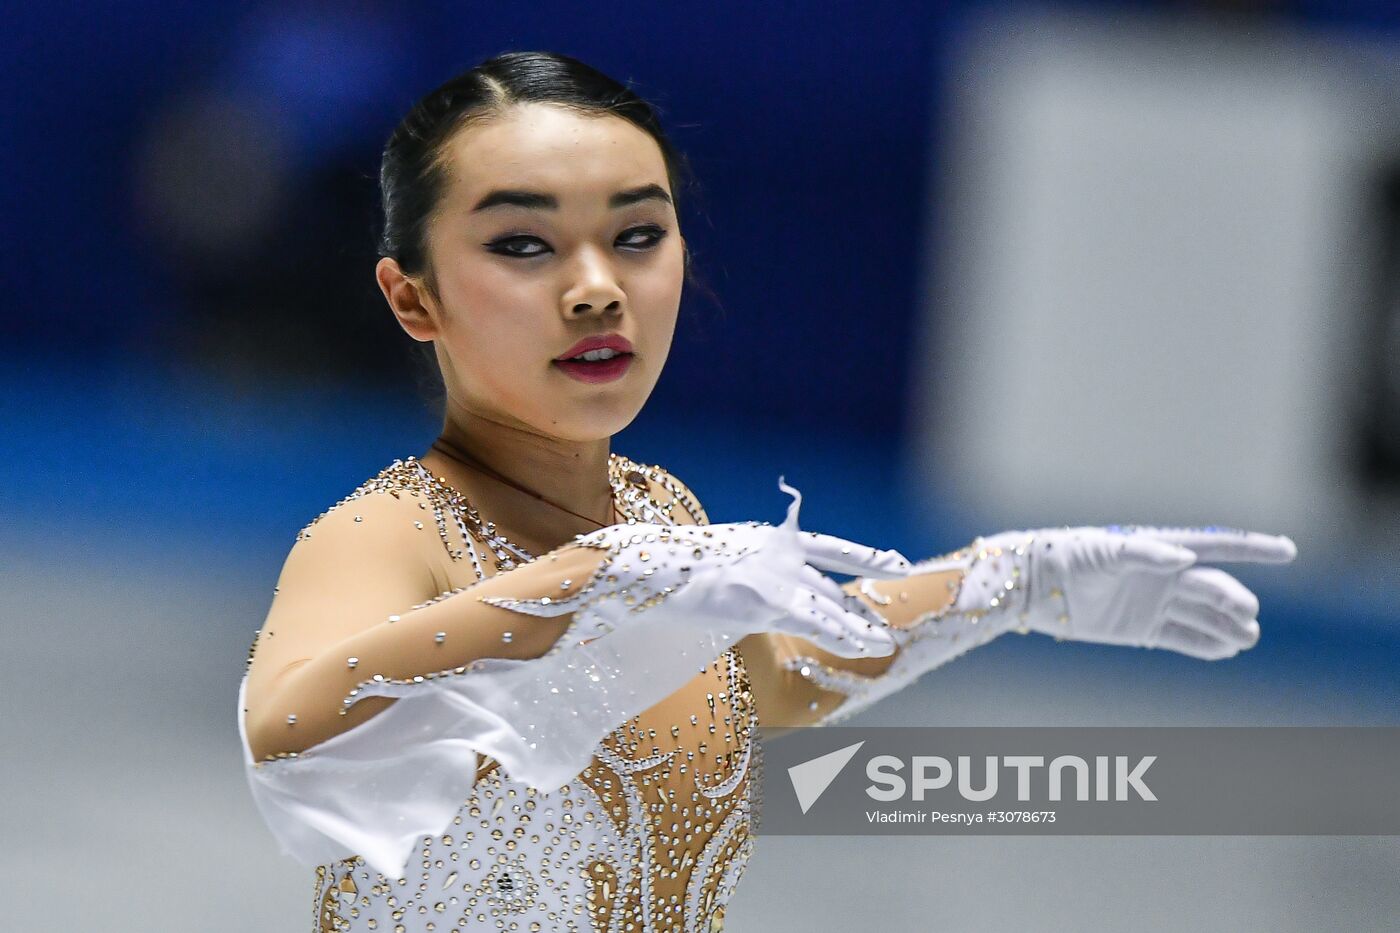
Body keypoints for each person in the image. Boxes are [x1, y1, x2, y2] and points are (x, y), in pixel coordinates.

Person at [236, 51, 1297, 932]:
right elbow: (285, 728)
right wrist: (581, 582)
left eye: (637, 235)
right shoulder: (385, 534)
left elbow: (775, 680)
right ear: (412, 297)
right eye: (523, 244)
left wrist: (1008, 582)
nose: (596, 287)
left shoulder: (660, 513)